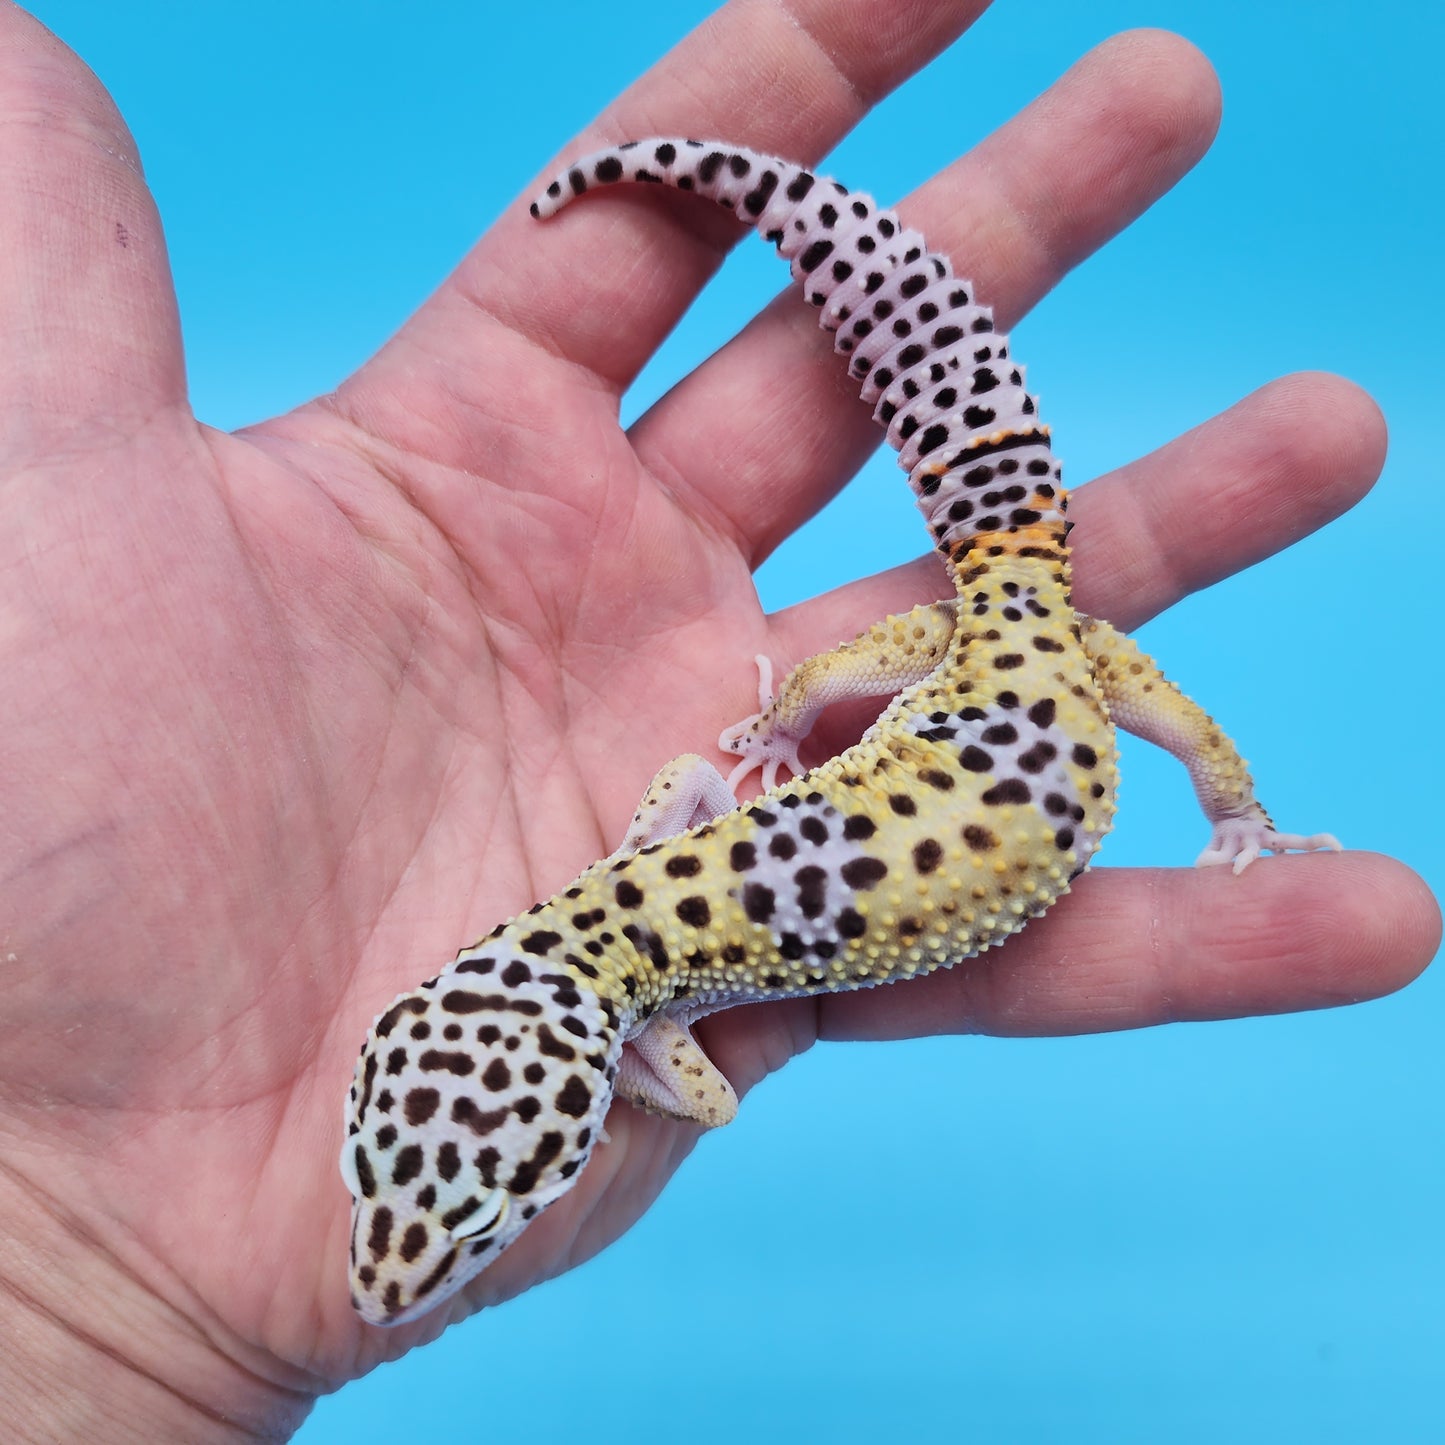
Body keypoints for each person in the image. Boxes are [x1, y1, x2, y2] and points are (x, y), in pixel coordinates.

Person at [0, 2, 1436, 1437]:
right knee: (1146, 727)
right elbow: (691, 811)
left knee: (1104, 706)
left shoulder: (654, 1020)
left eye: (438, 1204)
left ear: (407, 1046)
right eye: (438, 1207)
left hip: (1005, 666)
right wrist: (791, 726)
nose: (391, 1278)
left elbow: (707, 1092)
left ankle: (1229, 803)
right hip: (1007, 667)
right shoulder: (631, 881)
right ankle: (1236, 810)